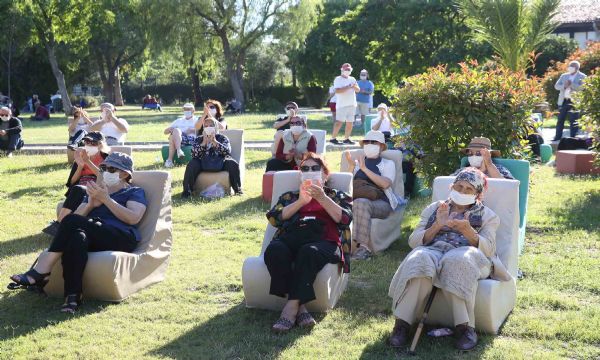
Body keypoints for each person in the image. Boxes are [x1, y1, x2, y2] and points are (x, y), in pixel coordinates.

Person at [388, 168, 511, 351]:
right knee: (419, 258)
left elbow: (489, 249)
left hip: (470, 256)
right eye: (459, 186)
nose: (461, 192)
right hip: (434, 250)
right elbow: (414, 241)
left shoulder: (487, 215)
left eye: (468, 189)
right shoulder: (435, 209)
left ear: (477, 194)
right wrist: (437, 225)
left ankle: (465, 328)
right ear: (451, 187)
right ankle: (402, 326)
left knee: (457, 261)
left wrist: (468, 231)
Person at [9, 152, 146, 314]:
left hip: (121, 237)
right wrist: (90, 204)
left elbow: (133, 218)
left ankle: (42, 269)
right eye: (103, 168)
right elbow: (71, 221)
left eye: (111, 169)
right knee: (76, 237)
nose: (104, 172)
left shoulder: (134, 192)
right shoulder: (97, 191)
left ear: (124, 174)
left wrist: (106, 200)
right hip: (96, 234)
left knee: (73, 222)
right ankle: (73, 296)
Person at [264, 152, 352, 332]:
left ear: (325, 175)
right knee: (274, 251)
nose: (309, 171)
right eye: (305, 168)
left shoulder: (336, 195)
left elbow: (344, 218)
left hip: (324, 241)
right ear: (300, 174)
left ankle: (289, 311)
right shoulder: (291, 196)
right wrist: (301, 202)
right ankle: (300, 307)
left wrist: (322, 198)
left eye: (315, 168)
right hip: (293, 237)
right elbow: (274, 219)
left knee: (308, 252)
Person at [343, 131, 399, 260]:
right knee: (355, 203)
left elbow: (385, 184)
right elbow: (346, 186)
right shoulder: (357, 164)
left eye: (373, 142)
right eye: (366, 142)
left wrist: (364, 169)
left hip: (381, 203)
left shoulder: (387, 164)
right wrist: (352, 167)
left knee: (361, 202)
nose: (369, 144)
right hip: (356, 201)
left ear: (381, 146)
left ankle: (364, 248)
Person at [42, 132, 111, 236]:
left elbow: (103, 176)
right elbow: (71, 182)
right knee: (77, 188)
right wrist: (80, 166)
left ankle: (59, 224)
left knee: (78, 189)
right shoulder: (80, 158)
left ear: (100, 144)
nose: (89, 145)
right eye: (86, 142)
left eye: (93, 142)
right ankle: (62, 226)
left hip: (96, 186)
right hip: (79, 187)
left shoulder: (107, 158)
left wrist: (88, 162)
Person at [182, 116, 242, 197]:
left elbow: (227, 151)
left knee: (232, 163)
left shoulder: (222, 138)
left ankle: (238, 190)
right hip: (203, 162)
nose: (208, 128)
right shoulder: (199, 139)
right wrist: (203, 143)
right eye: (206, 126)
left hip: (220, 162)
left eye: (211, 126)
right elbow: (193, 154)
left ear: (216, 127)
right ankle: (187, 192)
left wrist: (215, 142)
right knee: (191, 164)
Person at [553, 61, 587, 141]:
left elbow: (582, 88)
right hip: (563, 101)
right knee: (560, 119)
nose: (570, 67)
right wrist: (564, 86)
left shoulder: (583, 76)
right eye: (570, 66)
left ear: (577, 68)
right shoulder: (564, 76)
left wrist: (571, 84)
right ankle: (557, 137)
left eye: (572, 66)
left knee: (574, 120)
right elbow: (556, 86)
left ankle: (573, 138)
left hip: (574, 102)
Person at [330, 63, 360, 145]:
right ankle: (333, 138)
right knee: (339, 122)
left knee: (350, 123)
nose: (347, 71)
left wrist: (354, 87)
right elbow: (337, 91)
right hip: (342, 105)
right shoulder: (337, 79)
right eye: (346, 69)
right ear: (342, 70)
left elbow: (358, 90)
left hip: (352, 104)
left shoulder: (353, 78)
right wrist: (348, 87)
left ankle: (346, 139)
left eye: (349, 70)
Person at [163, 103, 199, 168]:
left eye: (188, 109)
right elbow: (165, 132)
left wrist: (192, 130)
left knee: (172, 136)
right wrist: (169, 129)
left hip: (191, 139)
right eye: (185, 109)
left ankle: (169, 160)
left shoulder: (197, 120)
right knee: (174, 132)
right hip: (179, 138)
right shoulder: (179, 120)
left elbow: (202, 131)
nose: (186, 111)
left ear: (193, 110)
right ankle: (178, 151)